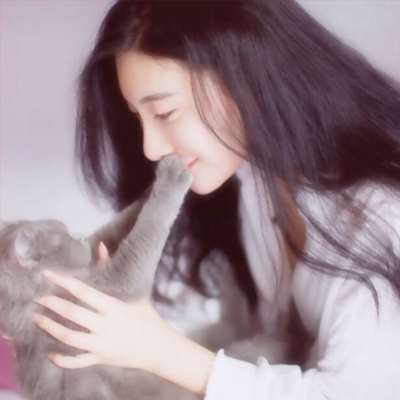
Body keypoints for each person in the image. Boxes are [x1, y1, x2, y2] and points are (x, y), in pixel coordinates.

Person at [32, 1, 400, 399]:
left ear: (244, 78)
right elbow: (278, 349)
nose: (150, 148)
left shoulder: (378, 214)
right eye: (138, 117)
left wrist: (158, 349)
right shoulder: (259, 181)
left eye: (164, 112)